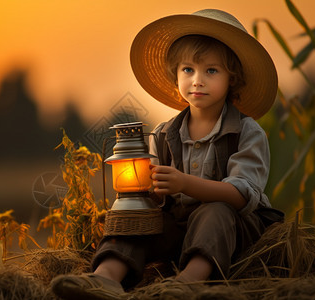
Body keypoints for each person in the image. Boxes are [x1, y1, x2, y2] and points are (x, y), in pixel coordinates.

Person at [51, 8, 281, 299]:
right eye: (188, 70)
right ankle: (105, 276)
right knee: (138, 216)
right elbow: (157, 196)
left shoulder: (246, 132)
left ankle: (187, 283)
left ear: (231, 78)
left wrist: (185, 183)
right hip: (179, 229)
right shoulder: (161, 134)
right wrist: (148, 192)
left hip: (232, 232)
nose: (197, 80)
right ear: (176, 75)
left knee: (215, 210)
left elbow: (241, 195)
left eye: (211, 70)